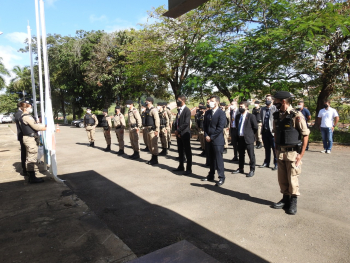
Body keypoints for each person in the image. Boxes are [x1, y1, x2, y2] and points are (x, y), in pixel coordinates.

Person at [271, 91, 310, 215]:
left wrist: (301, 155)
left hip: (293, 153)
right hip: (281, 152)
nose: (273, 103)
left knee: (293, 178)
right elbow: (276, 132)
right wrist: (276, 149)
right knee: (282, 178)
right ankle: (285, 199)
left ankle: (293, 201)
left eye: (275, 100)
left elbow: (305, 134)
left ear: (283, 101)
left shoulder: (296, 115)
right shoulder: (277, 115)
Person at [18, 102, 46, 183]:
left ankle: (31, 176)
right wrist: (46, 127)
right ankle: (32, 178)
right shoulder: (26, 117)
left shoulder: (23, 116)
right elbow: (36, 127)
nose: (31, 108)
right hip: (29, 138)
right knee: (31, 158)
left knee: (30, 156)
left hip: (28, 138)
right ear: (25, 108)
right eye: (30, 107)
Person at [201, 95, 226, 186]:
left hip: (217, 140)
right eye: (210, 101)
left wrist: (212, 137)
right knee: (210, 158)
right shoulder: (208, 113)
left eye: (212, 101)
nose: (210, 102)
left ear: (217, 102)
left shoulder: (221, 113)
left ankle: (221, 177)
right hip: (208, 140)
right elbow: (205, 125)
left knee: (218, 159)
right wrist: (206, 135)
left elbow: (220, 127)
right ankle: (211, 175)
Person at [232, 101, 258, 178]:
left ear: (246, 107)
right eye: (239, 107)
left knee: (251, 155)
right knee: (241, 154)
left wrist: (250, 134)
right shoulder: (237, 116)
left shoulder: (251, 116)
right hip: (240, 138)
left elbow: (255, 127)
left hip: (248, 138)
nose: (240, 108)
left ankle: (252, 170)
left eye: (242, 107)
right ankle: (240, 168)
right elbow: (237, 126)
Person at [173, 94, 193, 175]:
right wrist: (176, 131)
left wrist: (178, 130)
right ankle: (181, 166)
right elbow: (177, 122)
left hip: (184, 133)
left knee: (187, 151)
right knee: (180, 151)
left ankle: (189, 169)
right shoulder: (179, 110)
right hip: (179, 133)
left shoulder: (187, 110)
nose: (177, 101)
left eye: (178, 100)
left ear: (182, 100)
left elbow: (186, 123)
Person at [259, 95, 278, 170]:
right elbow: (261, 119)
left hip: (272, 132)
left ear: (272, 100)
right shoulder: (263, 109)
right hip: (265, 131)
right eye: (266, 99)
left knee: (274, 149)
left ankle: (276, 163)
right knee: (267, 148)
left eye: (269, 99)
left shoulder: (275, 108)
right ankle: (266, 162)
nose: (267, 100)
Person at [144, 97, 160, 165]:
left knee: (154, 145)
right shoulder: (148, 110)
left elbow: (157, 120)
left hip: (153, 130)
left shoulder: (154, 110)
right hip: (148, 130)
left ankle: (155, 159)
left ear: (150, 102)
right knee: (150, 145)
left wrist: (157, 130)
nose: (145, 102)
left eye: (147, 101)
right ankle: (152, 158)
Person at [14, 101, 27, 175]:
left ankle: (25, 168)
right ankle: (24, 169)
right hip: (23, 135)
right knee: (24, 152)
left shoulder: (19, 113)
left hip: (23, 135)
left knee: (25, 152)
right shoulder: (19, 114)